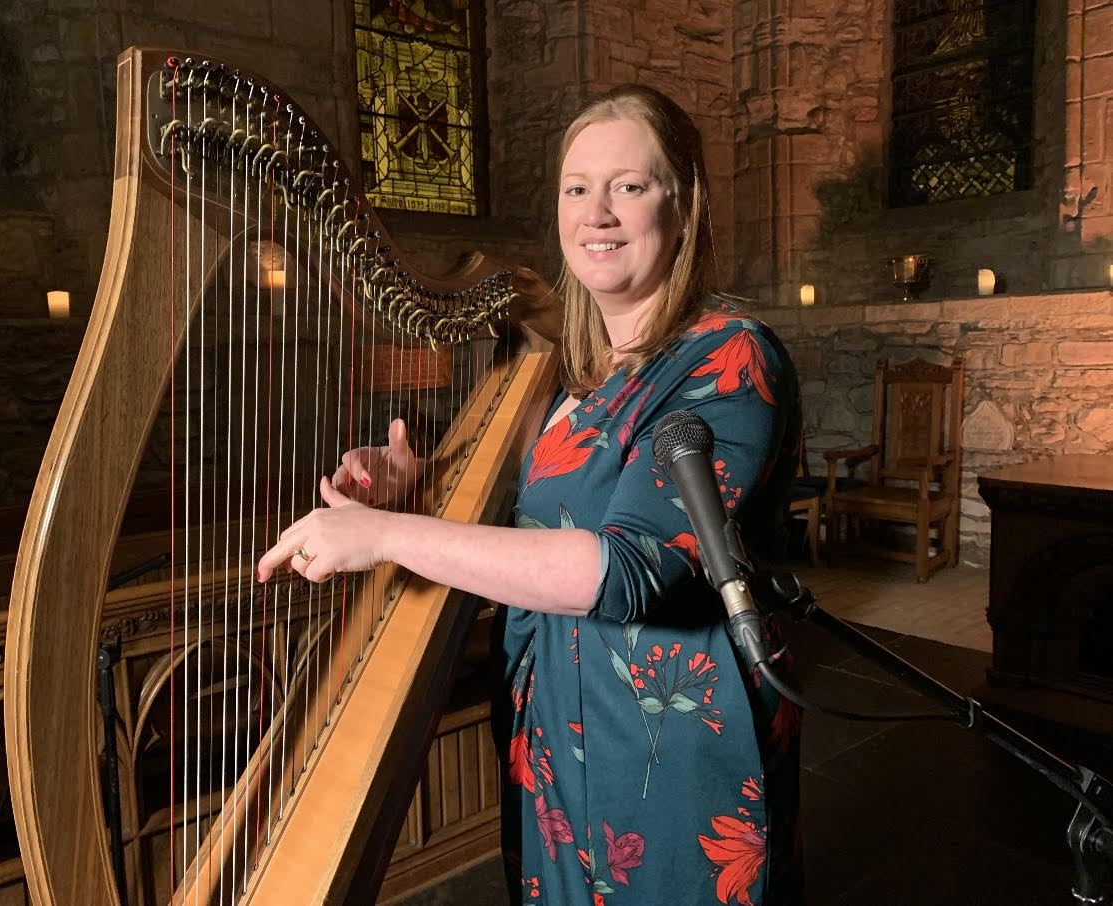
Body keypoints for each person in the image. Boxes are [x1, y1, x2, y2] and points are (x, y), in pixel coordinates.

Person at [258, 84, 803, 906]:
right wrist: (414, 483)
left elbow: (627, 569)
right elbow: (544, 513)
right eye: (577, 188)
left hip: (666, 744)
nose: (597, 213)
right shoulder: (577, 381)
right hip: (555, 724)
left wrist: (385, 537)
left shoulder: (729, 357)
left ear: (685, 205)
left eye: (628, 185)